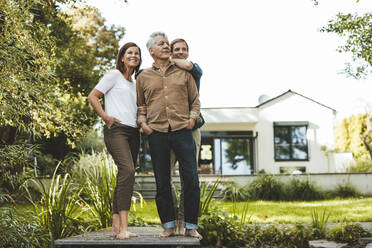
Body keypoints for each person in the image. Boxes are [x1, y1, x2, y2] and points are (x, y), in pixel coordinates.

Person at [136, 32, 203, 240]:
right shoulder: (143, 77)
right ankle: (169, 225)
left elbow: (195, 101)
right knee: (162, 181)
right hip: (157, 133)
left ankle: (191, 226)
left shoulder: (185, 73)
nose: (166, 46)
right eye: (160, 44)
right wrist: (143, 124)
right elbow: (141, 106)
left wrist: (192, 119)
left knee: (191, 179)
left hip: (183, 130)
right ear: (151, 51)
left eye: (167, 43)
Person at [87, 42, 141, 240]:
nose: (133, 56)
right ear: (122, 56)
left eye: (136, 53)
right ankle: (124, 228)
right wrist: (105, 116)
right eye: (129, 53)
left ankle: (116, 226)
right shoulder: (113, 75)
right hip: (116, 130)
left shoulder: (135, 83)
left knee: (124, 176)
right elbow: (93, 96)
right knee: (128, 170)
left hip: (134, 133)